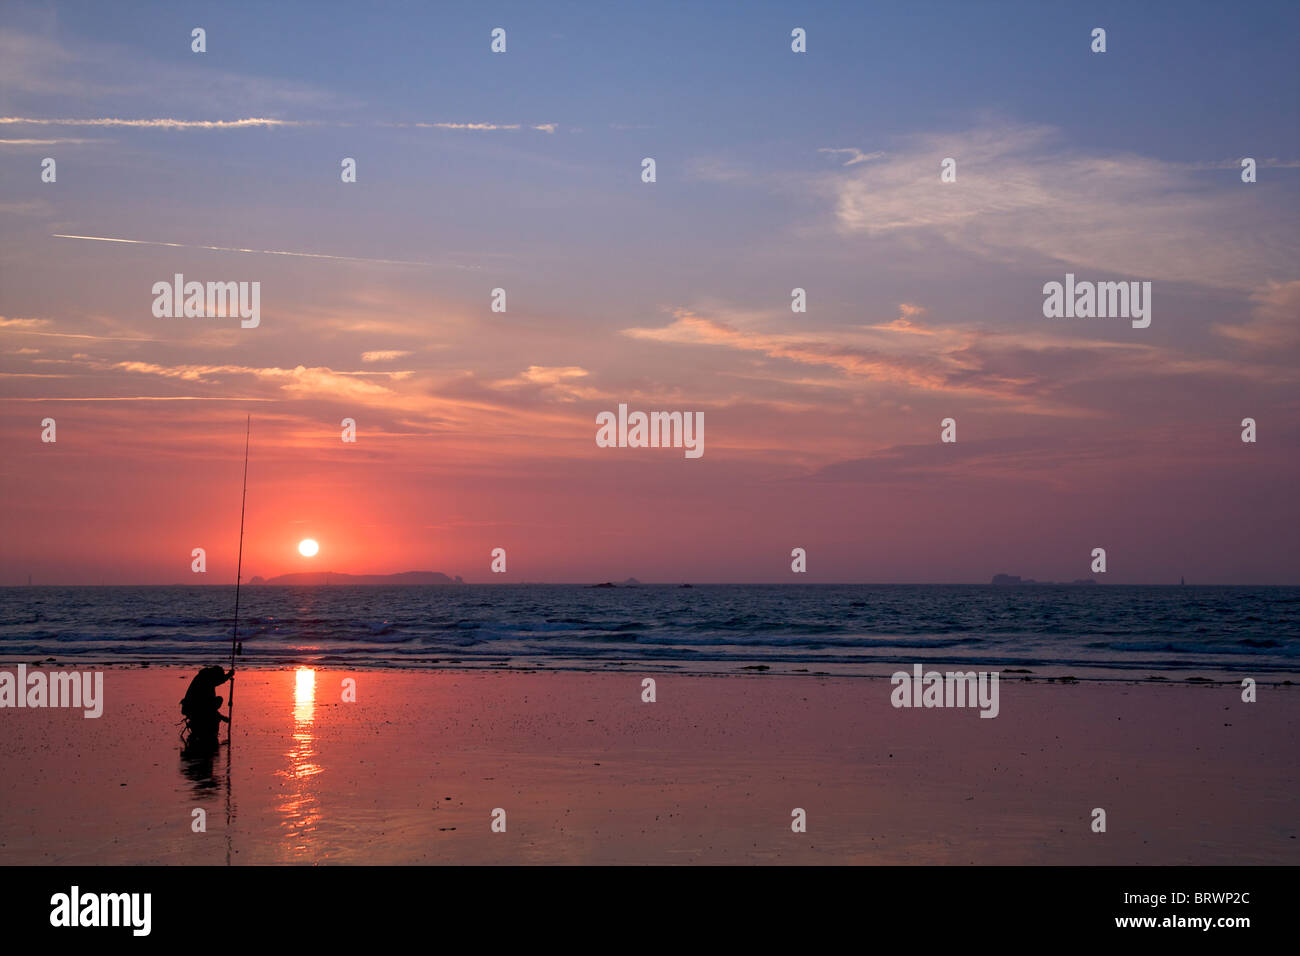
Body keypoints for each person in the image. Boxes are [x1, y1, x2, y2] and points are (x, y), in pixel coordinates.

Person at [181, 665, 233, 750]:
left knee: (215, 702)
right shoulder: (206, 681)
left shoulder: (205, 677)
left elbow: (218, 681)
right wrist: (221, 717)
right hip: (194, 708)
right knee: (218, 700)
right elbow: (206, 707)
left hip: (190, 707)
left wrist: (228, 675)